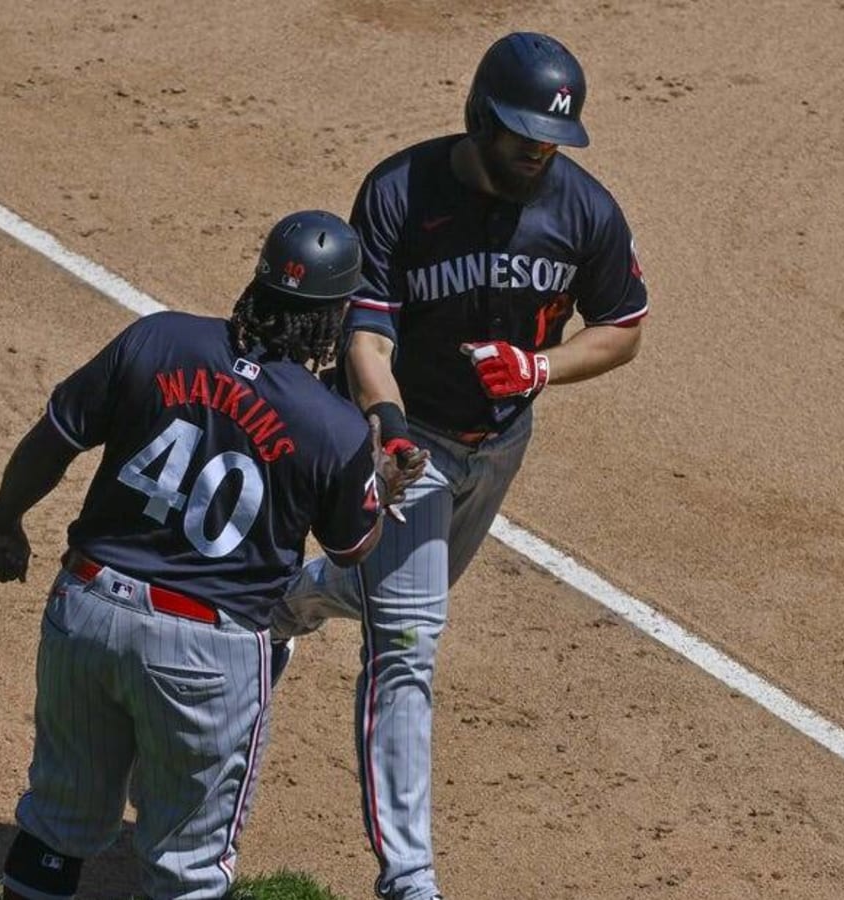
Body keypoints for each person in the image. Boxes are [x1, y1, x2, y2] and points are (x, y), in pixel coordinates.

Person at [273, 32, 649, 900]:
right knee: (407, 646)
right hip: (410, 443)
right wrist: (388, 425)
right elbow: (366, 333)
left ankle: (284, 605)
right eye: (522, 135)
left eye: (551, 140)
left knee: (393, 595)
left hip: (500, 445)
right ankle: (410, 877)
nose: (538, 152)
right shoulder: (401, 192)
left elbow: (623, 326)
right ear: (479, 118)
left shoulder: (585, 211)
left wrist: (541, 369)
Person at [0, 209, 425, 900]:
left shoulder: (157, 338)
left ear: (260, 281)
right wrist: (382, 483)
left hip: (87, 609)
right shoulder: (330, 425)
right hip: (204, 655)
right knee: (188, 868)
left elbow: (55, 436)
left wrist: (4, 522)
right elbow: (350, 546)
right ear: (332, 318)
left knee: (57, 821)